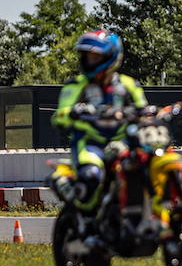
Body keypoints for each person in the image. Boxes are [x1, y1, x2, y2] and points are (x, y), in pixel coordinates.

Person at [51, 29, 147, 210]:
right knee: (91, 177)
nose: (90, 61)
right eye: (88, 57)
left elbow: (144, 110)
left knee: (145, 167)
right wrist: (74, 111)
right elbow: (59, 116)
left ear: (111, 56)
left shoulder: (129, 84)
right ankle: (78, 201)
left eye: (96, 57)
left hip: (123, 142)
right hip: (90, 143)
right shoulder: (76, 85)